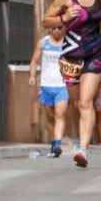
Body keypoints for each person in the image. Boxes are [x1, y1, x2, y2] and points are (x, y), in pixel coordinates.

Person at [43, 0, 101, 168]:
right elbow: (45, 20)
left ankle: (83, 149)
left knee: (86, 102)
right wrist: (64, 17)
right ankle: (79, 138)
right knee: (76, 103)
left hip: (94, 55)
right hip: (70, 56)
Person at [28, 21, 70, 157]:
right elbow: (34, 60)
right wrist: (32, 76)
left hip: (62, 85)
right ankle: (53, 144)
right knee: (50, 117)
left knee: (59, 115)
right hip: (46, 85)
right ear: (49, 30)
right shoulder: (43, 42)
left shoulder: (68, 44)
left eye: (60, 28)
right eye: (54, 28)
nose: (57, 30)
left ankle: (58, 143)